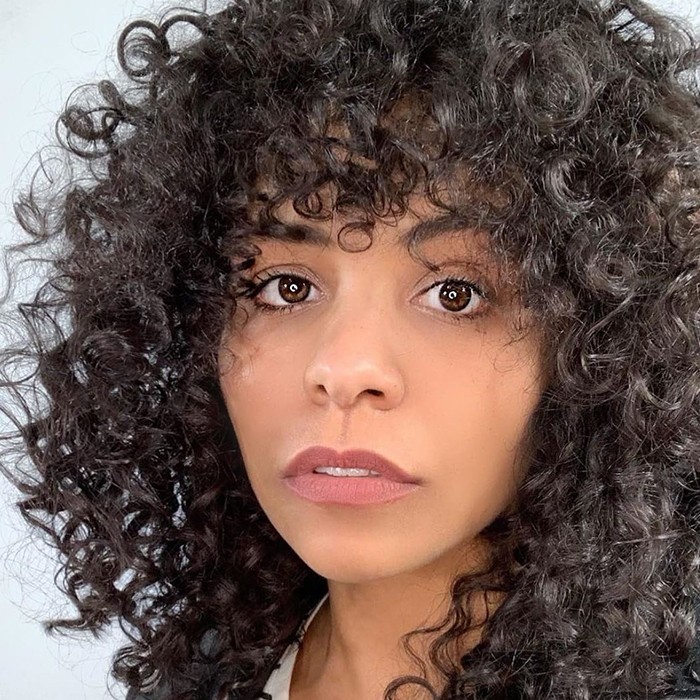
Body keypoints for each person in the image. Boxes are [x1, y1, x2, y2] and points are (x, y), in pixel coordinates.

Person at [1, 0, 700, 698]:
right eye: (285, 288)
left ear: (598, 349)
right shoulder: (205, 677)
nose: (342, 370)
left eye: (455, 294)